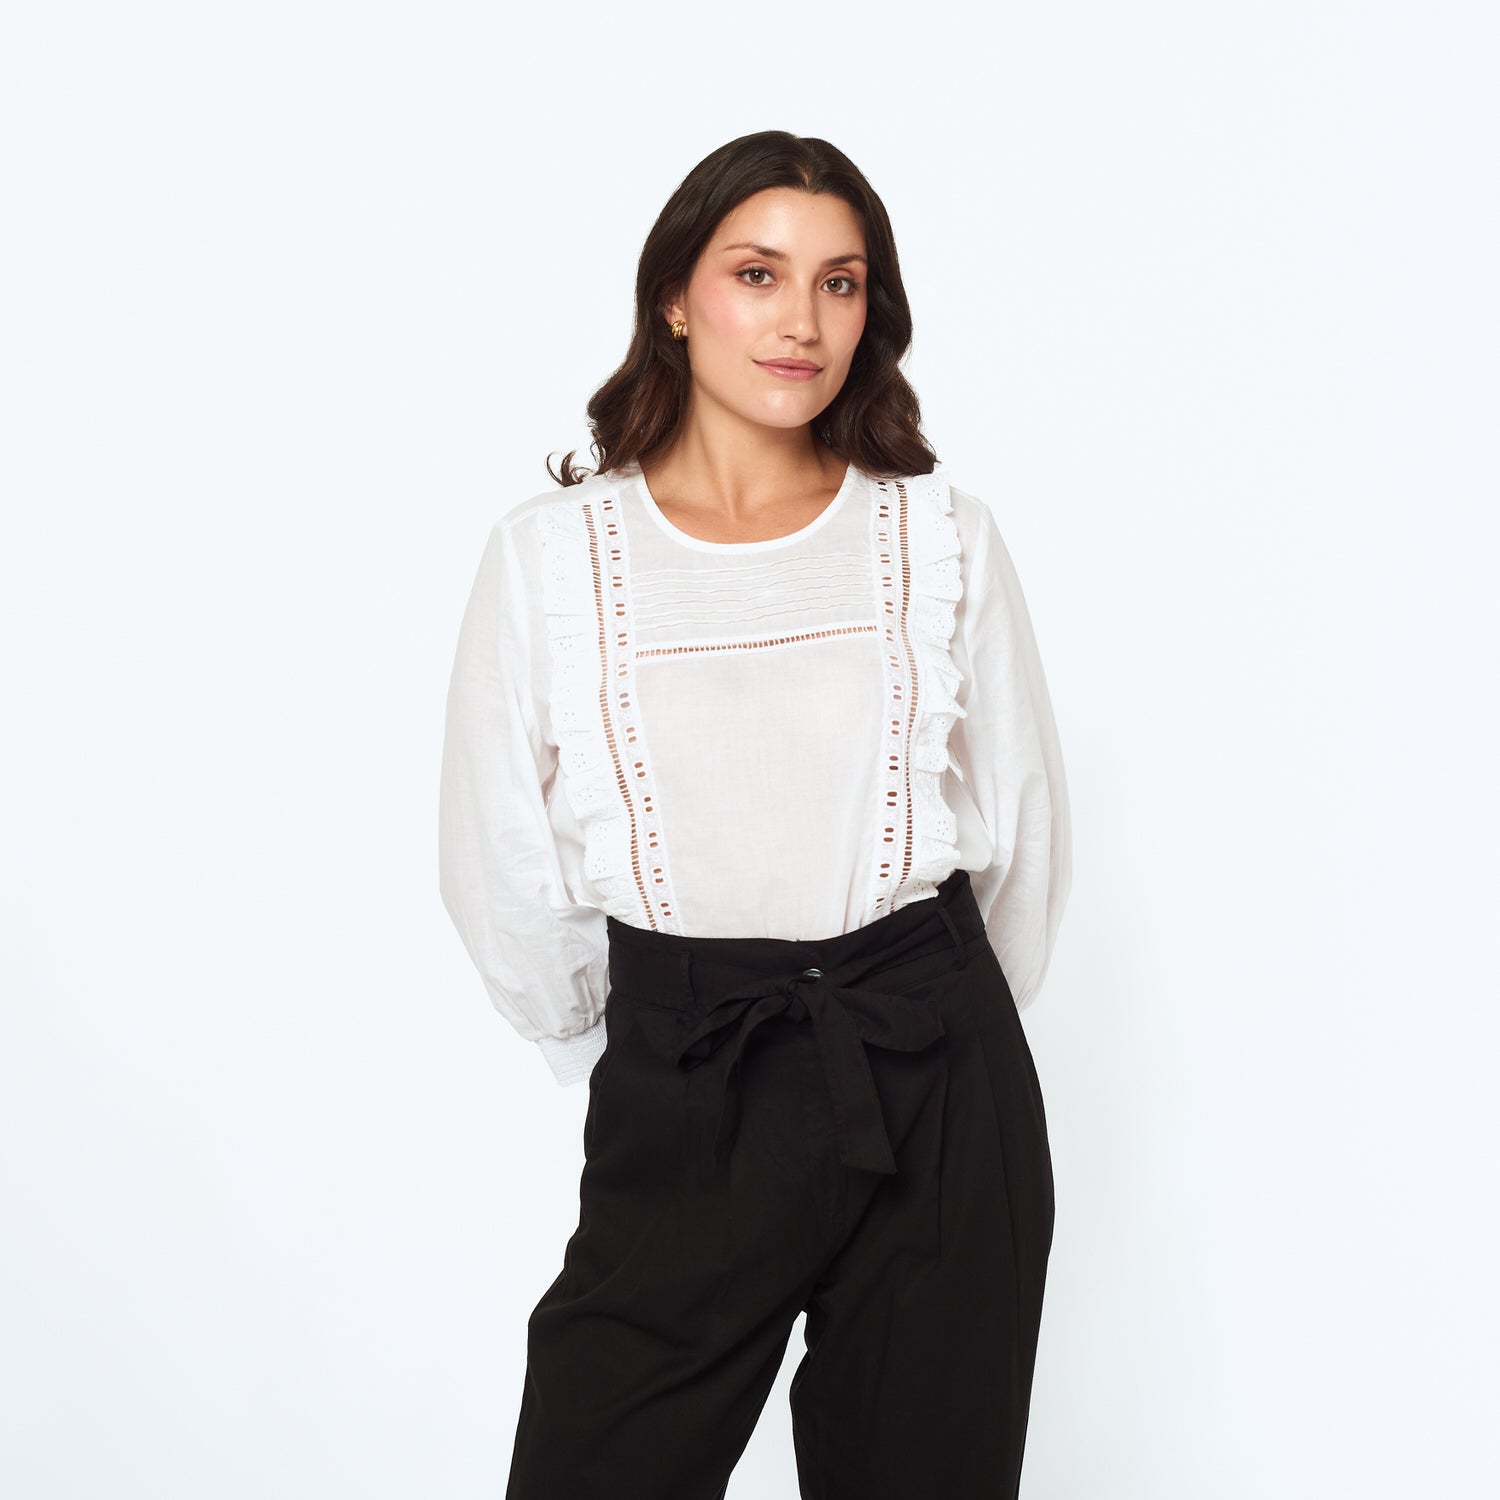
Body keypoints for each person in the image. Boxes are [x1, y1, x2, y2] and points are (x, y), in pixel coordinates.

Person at [438, 129, 1072, 1500]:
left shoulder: (937, 536)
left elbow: (1019, 824)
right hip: (692, 1072)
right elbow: (500, 855)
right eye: (758, 273)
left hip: (932, 1068)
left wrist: (944, 1029)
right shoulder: (554, 557)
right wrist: (634, 1041)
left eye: (841, 283)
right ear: (676, 295)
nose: (802, 321)